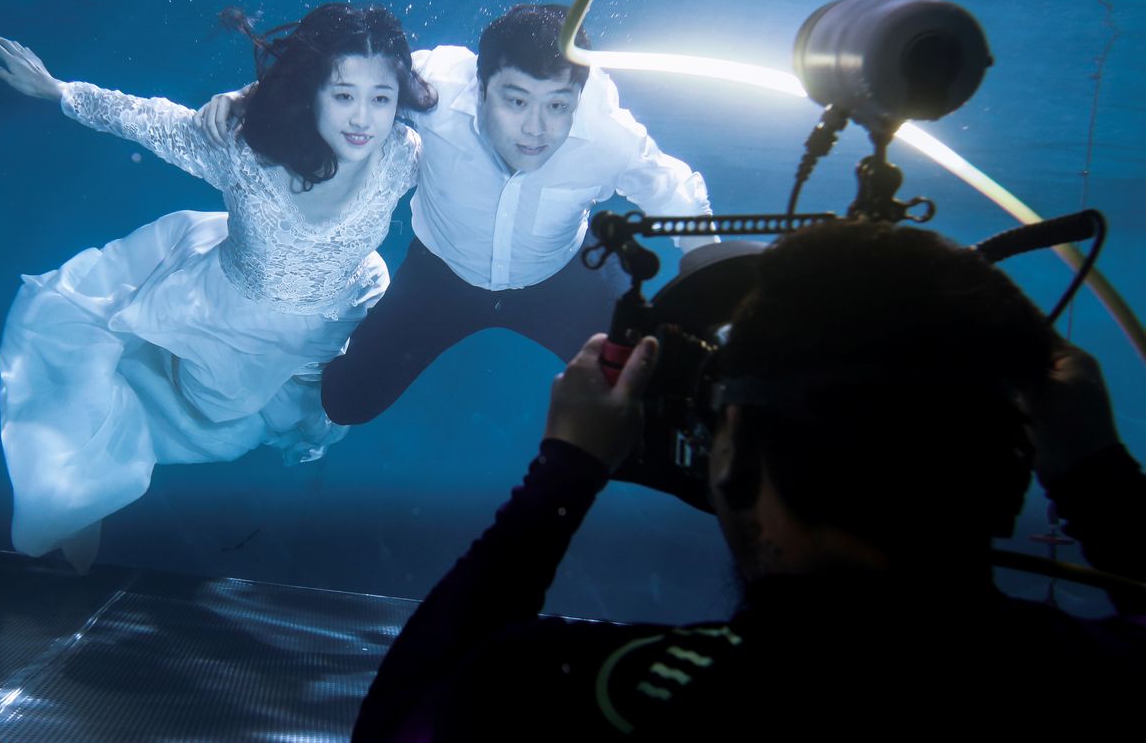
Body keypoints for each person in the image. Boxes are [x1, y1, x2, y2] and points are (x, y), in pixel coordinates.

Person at [352, 221, 1146, 740]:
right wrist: (1098, 471)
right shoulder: (1104, 685)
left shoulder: (558, 691)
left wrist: (565, 469)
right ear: (1013, 457)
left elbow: (400, 720)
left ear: (730, 462)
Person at [0, 3, 436, 570]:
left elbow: (466, 117)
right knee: (215, 417)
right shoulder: (245, 153)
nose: (363, 119)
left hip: (342, 307)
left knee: (312, 411)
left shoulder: (403, 153)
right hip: (236, 313)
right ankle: (87, 479)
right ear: (311, 90)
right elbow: (146, 119)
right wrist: (58, 91)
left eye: (381, 98)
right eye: (344, 95)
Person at [202, 4, 717, 426]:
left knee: (662, 405)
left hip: (560, 279)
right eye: (516, 101)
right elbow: (341, 70)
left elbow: (680, 196)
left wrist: (719, 290)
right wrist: (246, 100)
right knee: (345, 404)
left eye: (558, 105)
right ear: (482, 83)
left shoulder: (610, 137)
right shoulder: (437, 90)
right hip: (441, 275)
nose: (535, 129)